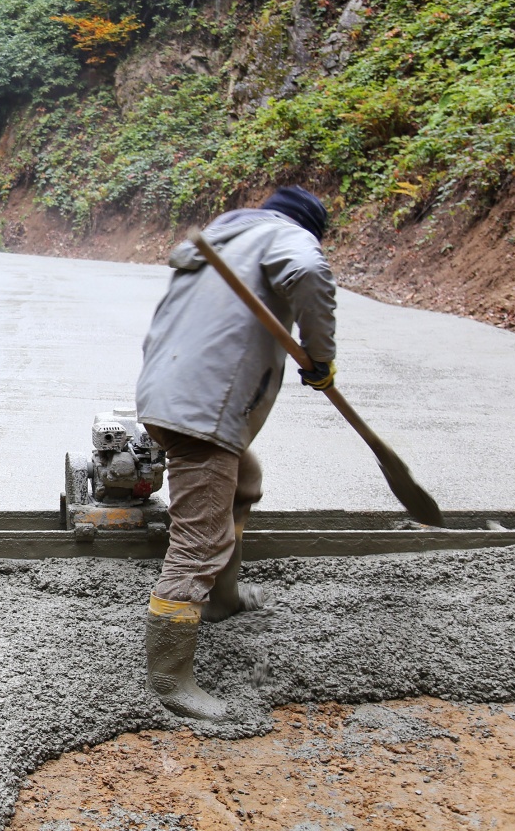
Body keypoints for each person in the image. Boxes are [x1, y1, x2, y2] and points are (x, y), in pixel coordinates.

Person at [134, 185, 336, 721]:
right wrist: (320, 356)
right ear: (308, 227)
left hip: (167, 398)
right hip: (202, 411)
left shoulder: (223, 243)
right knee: (196, 545)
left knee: (243, 482)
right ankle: (170, 680)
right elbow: (311, 274)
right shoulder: (287, 239)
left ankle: (222, 598)